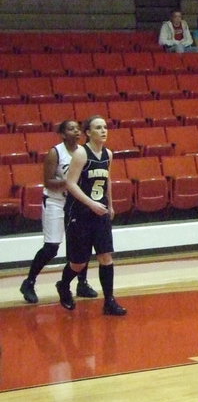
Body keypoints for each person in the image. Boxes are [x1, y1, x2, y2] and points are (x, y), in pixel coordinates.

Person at [20, 120, 98, 304]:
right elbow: (48, 182)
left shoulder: (83, 152)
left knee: (81, 244)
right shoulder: (56, 152)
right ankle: (29, 282)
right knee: (52, 247)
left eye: (78, 128)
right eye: (71, 129)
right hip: (55, 202)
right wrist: (70, 183)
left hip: (75, 203)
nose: (76, 131)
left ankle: (82, 283)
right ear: (63, 134)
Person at [57, 116, 126, 316]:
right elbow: (70, 184)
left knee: (106, 256)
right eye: (98, 127)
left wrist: (109, 205)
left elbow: (108, 180)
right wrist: (91, 204)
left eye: (105, 127)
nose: (103, 131)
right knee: (79, 262)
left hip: (100, 211)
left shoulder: (108, 154)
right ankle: (63, 285)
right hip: (80, 212)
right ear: (88, 132)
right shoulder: (80, 153)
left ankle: (109, 301)